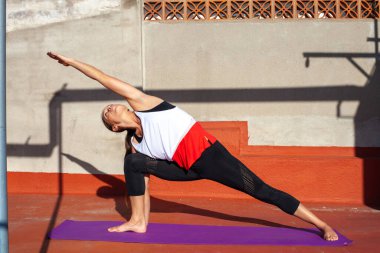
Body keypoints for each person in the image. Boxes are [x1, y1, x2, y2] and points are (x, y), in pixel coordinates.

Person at [47, 52, 339, 241]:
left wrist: (72, 63)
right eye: (107, 113)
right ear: (115, 126)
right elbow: (143, 185)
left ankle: (321, 224)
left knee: (261, 190)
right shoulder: (136, 143)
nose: (111, 107)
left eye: (111, 106)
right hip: (182, 169)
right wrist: (142, 211)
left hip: (211, 157)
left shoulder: (145, 105)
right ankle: (138, 222)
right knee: (133, 163)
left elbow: (104, 79)